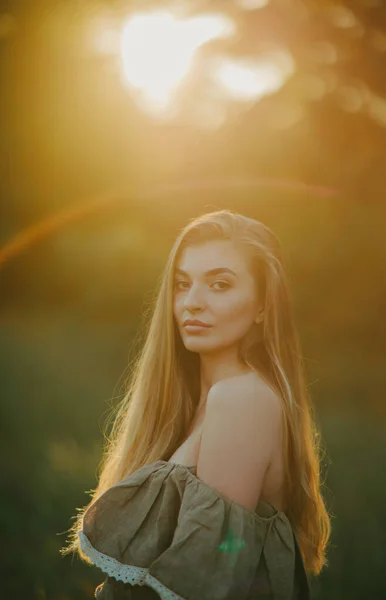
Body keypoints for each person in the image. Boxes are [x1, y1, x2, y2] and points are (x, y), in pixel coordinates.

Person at [61, 209, 332, 599]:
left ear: (262, 306)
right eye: (182, 284)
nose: (192, 303)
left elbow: (213, 583)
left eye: (220, 285)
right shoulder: (194, 400)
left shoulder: (242, 399)